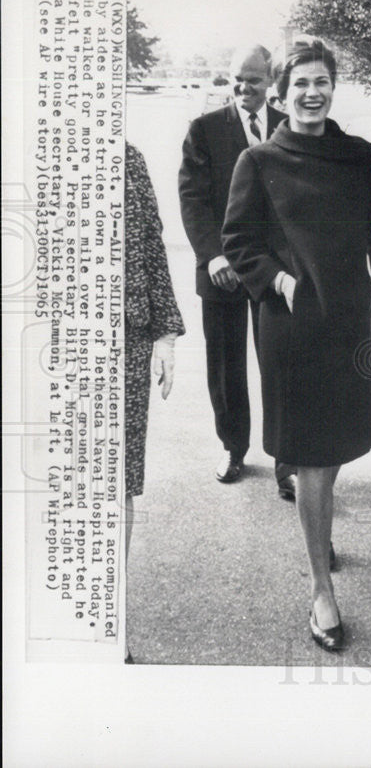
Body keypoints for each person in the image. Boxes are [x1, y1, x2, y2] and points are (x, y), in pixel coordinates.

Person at [222, 36, 371, 652]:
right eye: (300, 83)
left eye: (321, 81)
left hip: (347, 320)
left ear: (332, 87)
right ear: (280, 91)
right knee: (315, 458)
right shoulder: (260, 160)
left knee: (335, 447)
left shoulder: (357, 153)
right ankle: (322, 590)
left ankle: (317, 533)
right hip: (291, 327)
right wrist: (282, 280)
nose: (312, 92)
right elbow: (239, 241)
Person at [178, 44, 294, 499]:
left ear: (271, 81)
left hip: (275, 274)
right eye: (236, 79)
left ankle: (287, 460)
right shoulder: (204, 129)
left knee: (281, 366)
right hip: (222, 270)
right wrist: (213, 256)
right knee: (226, 367)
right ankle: (233, 448)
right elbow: (192, 199)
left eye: (254, 80)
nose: (244, 88)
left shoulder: (289, 127)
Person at [124, 141, 186, 557]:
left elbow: (151, 245)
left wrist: (165, 337)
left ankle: (110, 596)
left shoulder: (129, 157)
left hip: (126, 339)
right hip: (45, 344)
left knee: (118, 475)